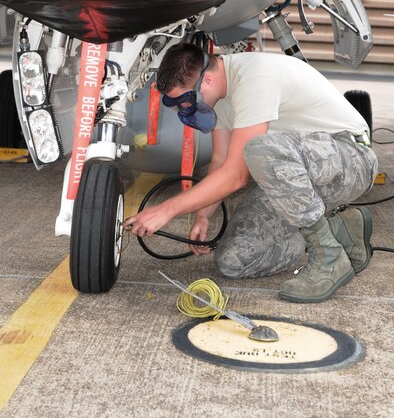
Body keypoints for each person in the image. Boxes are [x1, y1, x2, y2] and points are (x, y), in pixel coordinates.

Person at [125, 43, 378, 303]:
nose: (184, 110)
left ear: (207, 80)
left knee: (258, 150)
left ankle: (329, 257)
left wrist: (165, 210)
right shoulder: (221, 96)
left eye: (185, 101)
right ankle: (339, 229)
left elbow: (236, 176)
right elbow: (221, 161)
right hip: (301, 177)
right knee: (233, 261)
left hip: (351, 160)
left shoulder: (255, 76)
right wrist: (202, 217)